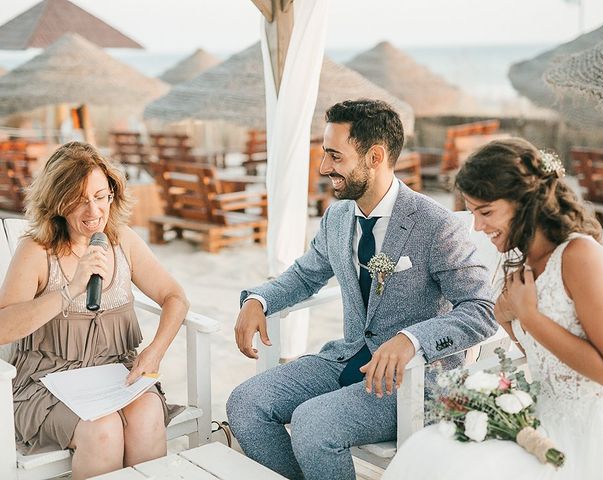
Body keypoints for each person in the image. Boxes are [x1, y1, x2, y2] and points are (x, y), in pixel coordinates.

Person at [226, 99, 497, 480]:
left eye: (335, 156)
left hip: (411, 380)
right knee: (245, 403)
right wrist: (260, 299)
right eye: (324, 154)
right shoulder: (337, 216)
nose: (323, 168)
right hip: (347, 357)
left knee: (312, 423)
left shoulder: (436, 226)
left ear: (374, 156)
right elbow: (305, 275)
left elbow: (482, 309)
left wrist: (411, 340)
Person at [384, 138, 603, 480]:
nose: (476, 227)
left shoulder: (580, 256)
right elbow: (544, 356)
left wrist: (529, 317)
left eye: (486, 212)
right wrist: (507, 322)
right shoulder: (517, 258)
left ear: (525, 202)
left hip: (587, 433)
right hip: (538, 414)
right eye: (472, 212)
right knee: (425, 450)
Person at [2, 142, 189, 480]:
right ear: (57, 202)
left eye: (101, 196)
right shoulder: (36, 251)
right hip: (47, 384)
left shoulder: (123, 241)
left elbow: (175, 296)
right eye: (79, 199)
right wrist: (71, 289)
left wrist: (154, 352)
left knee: (147, 419)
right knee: (103, 430)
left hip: (115, 375)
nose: (94, 210)